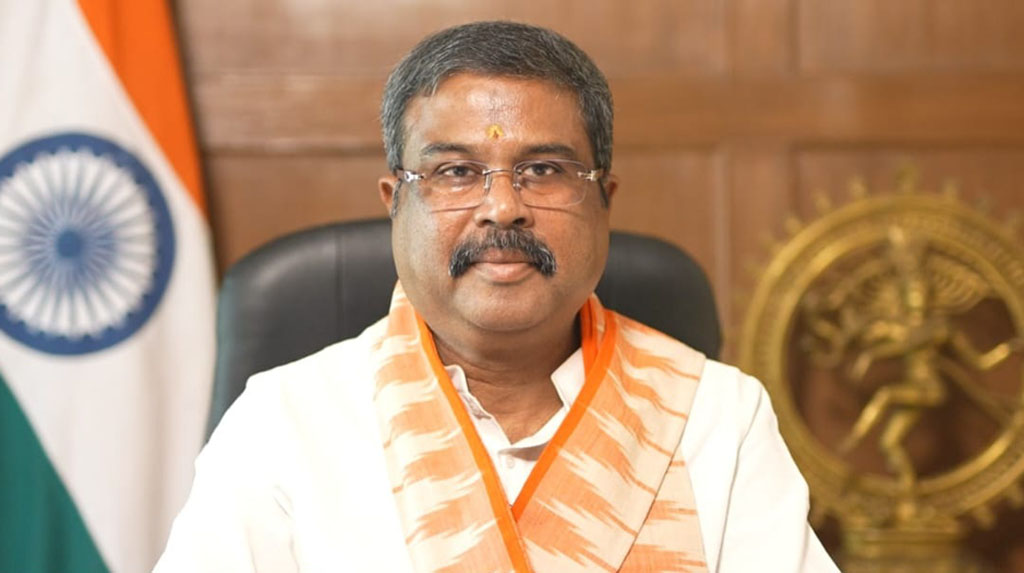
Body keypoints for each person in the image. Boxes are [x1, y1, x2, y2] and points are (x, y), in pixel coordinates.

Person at [155, 21, 839, 572]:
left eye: (543, 169)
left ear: (604, 200)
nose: (503, 207)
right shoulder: (284, 422)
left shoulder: (715, 413)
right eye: (456, 171)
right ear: (395, 204)